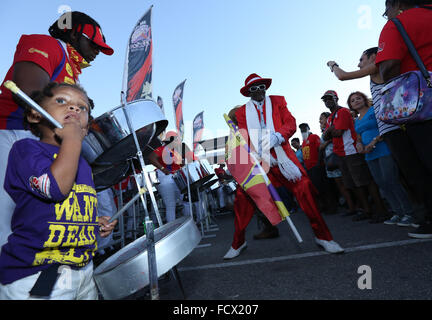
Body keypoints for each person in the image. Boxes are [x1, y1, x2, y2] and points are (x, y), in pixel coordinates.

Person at [0, 11, 114, 251]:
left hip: (41, 144)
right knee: (11, 227)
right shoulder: (47, 44)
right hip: (15, 136)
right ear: (73, 34)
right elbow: (30, 90)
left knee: (47, 222)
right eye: (94, 44)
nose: (96, 52)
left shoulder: (72, 72)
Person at [0, 82, 117, 299]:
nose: (74, 109)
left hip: (82, 269)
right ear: (35, 115)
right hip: (39, 274)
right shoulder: (26, 150)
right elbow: (56, 189)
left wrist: (92, 223)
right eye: (61, 101)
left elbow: (66, 209)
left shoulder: (81, 163)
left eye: (82, 108)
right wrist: (72, 140)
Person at [224, 74, 344, 259]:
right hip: (258, 160)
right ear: (248, 92)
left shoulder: (278, 102)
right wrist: (253, 151)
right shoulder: (241, 113)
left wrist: (278, 136)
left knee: (303, 188)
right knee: (242, 197)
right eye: (254, 88)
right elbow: (244, 136)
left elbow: (291, 123)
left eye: (261, 86)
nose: (259, 91)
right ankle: (238, 242)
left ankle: (323, 237)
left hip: (282, 156)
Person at [376, 0, 432, 238]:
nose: (385, 15)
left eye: (385, 10)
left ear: (395, 4)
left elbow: (388, 66)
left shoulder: (397, 23)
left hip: (423, 107)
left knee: (425, 164)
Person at [348, 91, 416, 226]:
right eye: (353, 100)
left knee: (391, 180)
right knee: (382, 184)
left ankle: (409, 213)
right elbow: (359, 136)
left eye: (358, 98)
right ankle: (398, 212)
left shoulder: (375, 110)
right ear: (351, 105)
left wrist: (373, 142)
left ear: (364, 99)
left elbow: (384, 128)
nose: (356, 101)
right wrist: (359, 144)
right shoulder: (356, 120)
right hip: (369, 155)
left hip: (383, 149)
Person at [321, 90, 389, 223]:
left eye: (330, 98)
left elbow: (338, 132)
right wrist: (330, 131)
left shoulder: (343, 112)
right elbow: (326, 136)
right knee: (353, 184)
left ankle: (382, 210)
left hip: (351, 151)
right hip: (341, 153)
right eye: (325, 99)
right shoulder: (330, 118)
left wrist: (329, 132)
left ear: (336, 98)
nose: (327, 101)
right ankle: (366, 210)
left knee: (365, 181)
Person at [319, 112, 356, 215]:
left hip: (337, 157)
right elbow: (321, 147)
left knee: (346, 184)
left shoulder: (333, 127)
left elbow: (331, 141)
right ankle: (350, 206)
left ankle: (354, 207)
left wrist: (326, 142)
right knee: (340, 186)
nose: (320, 121)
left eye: (322, 118)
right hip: (330, 161)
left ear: (328, 119)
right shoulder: (324, 131)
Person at [147, 131, 185, 223]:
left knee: (185, 200)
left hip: (175, 178)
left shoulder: (176, 151)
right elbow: (151, 157)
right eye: (177, 140)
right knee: (170, 205)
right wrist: (163, 169)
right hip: (165, 177)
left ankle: (185, 224)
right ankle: (172, 228)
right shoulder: (163, 149)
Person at [299, 123, 337, 213]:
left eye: (304, 128)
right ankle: (323, 206)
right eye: (301, 129)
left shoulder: (314, 137)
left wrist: (318, 162)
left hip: (317, 166)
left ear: (308, 128)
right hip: (309, 169)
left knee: (324, 187)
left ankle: (331, 207)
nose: (303, 130)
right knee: (316, 188)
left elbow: (320, 149)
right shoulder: (304, 142)